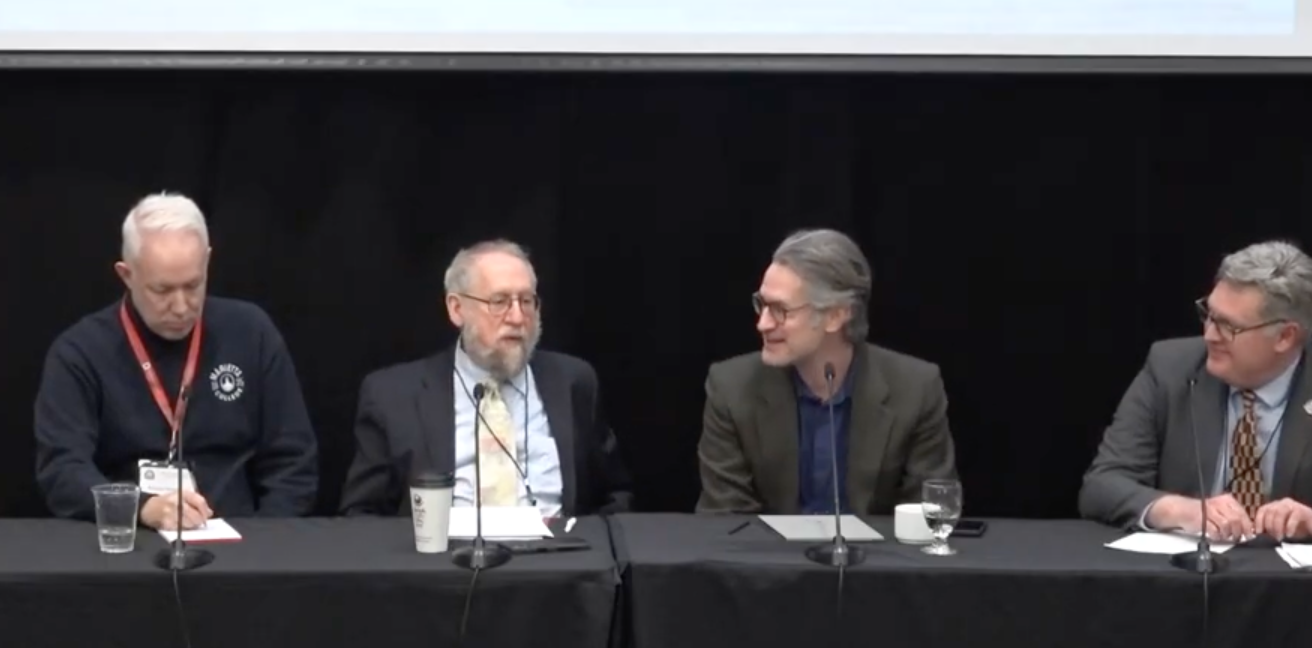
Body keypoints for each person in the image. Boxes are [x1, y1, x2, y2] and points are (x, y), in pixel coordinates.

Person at [1079, 240, 1312, 542]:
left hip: (1301, 596)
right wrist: (1183, 511)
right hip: (1183, 584)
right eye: (1208, 314)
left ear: (1286, 336)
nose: (1209, 334)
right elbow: (1103, 484)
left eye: (1229, 326)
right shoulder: (1170, 367)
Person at [34, 192, 318, 530]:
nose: (182, 307)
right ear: (126, 275)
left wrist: (260, 543)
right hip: (129, 541)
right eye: (163, 290)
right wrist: (141, 508)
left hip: (241, 541)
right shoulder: (80, 352)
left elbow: (293, 463)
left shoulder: (251, 332)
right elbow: (62, 471)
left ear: (208, 262)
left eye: (193, 285)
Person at [339, 239, 631, 517]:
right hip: (444, 563)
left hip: (557, 557)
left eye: (526, 301)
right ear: (456, 309)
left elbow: (614, 496)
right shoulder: (393, 396)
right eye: (499, 301)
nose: (517, 318)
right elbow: (362, 514)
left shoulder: (573, 382)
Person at [696, 228, 957, 515]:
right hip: (769, 559)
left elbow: (930, 514)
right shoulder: (731, 388)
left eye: (780, 310)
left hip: (878, 559)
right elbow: (726, 523)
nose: (763, 324)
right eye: (762, 304)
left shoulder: (915, 388)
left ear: (836, 315)